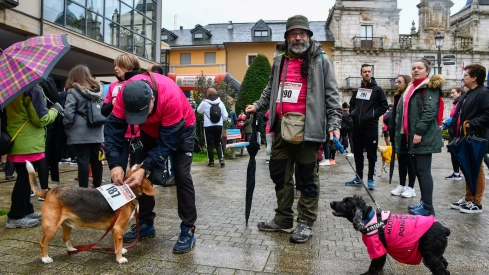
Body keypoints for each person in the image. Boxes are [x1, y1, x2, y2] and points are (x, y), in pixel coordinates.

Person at [245, 15, 342, 243]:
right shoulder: (280, 60)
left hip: (308, 130)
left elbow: (332, 95)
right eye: (293, 33)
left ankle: (306, 222)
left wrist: (334, 124)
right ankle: (284, 219)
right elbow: (271, 87)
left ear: (309, 36)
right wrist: (258, 105)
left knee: (307, 179)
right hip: (281, 128)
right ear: (287, 37)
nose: (298, 37)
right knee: (279, 173)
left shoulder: (321, 60)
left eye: (302, 33)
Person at [104, 72, 197, 253]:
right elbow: (113, 131)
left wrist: (146, 168)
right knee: (139, 176)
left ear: (152, 99)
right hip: (149, 131)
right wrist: (114, 163)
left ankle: (188, 228)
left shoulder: (171, 96)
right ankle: (146, 224)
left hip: (181, 129)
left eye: (142, 113)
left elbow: (167, 144)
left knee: (182, 175)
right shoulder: (125, 94)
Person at [4, 85, 62, 228]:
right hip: (29, 142)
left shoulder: (11, 89)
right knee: (24, 179)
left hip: (18, 137)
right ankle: (15, 215)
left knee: (25, 178)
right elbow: (41, 119)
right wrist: (55, 110)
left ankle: (26, 210)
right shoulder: (32, 90)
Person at [394, 58, 444, 216]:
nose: (416, 70)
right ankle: (424, 203)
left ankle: (428, 207)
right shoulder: (411, 87)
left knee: (423, 171)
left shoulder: (429, 87)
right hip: (410, 137)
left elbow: (430, 112)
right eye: (414, 68)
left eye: (420, 68)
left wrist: (419, 132)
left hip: (422, 137)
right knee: (417, 170)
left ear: (427, 71)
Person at [449, 64, 489, 214]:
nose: (463, 77)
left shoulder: (484, 92)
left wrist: (473, 123)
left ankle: (476, 202)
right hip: (465, 136)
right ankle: (469, 197)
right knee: (467, 167)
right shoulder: (468, 93)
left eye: (466, 75)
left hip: (477, 136)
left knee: (477, 168)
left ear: (474, 77)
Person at [345, 64, 388, 190]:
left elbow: (384, 106)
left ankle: (370, 180)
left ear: (372, 73)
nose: (367, 73)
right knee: (358, 153)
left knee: (371, 154)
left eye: (369, 71)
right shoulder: (358, 91)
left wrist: (372, 115)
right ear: (361, 74)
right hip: (357, 127)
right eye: (365, 72)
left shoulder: (378, 90)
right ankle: (358, 178)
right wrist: (353, 113)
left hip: (371, 127)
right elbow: (352, 104)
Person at [63, 65, 104, 189]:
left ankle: (83, 189)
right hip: (97, 130)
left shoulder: (73, 91)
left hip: (79, 132)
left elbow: (69, 112)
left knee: (83, 161)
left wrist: (67, 125)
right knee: (97, 160)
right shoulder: (98, 90)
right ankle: (97, 185)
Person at [389, 74, 417, 198]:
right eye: (397, 82)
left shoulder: (411, 96)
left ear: (407, 83)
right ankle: (401, 185)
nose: (398, 84)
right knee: (401, 161)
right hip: (399, 132)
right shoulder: (398, 97)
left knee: (410, 161)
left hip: (408, 133)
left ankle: (411, 187)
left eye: (400, 82)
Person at [197, 87, 228, 167]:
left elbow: (199, 111)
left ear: (208, 93)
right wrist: (220, 121)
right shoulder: (220, 103)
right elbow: (225, 115)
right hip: (218, 126)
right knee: (218, 143)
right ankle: (221, 159)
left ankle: (211, 161)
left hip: (208, 126)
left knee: (209, 144)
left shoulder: (205, 102)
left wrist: (202, 101)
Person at [444, 87, 465, 181]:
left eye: (453, 93)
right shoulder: (456, 103)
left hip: (457, 133)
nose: (451, 94)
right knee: (455, 153)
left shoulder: (460, 103)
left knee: (455, 153)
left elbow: (457, 118)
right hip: (454, 131)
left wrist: (447, 122)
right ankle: (457, 172)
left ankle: (458, 173)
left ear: (459, 93)